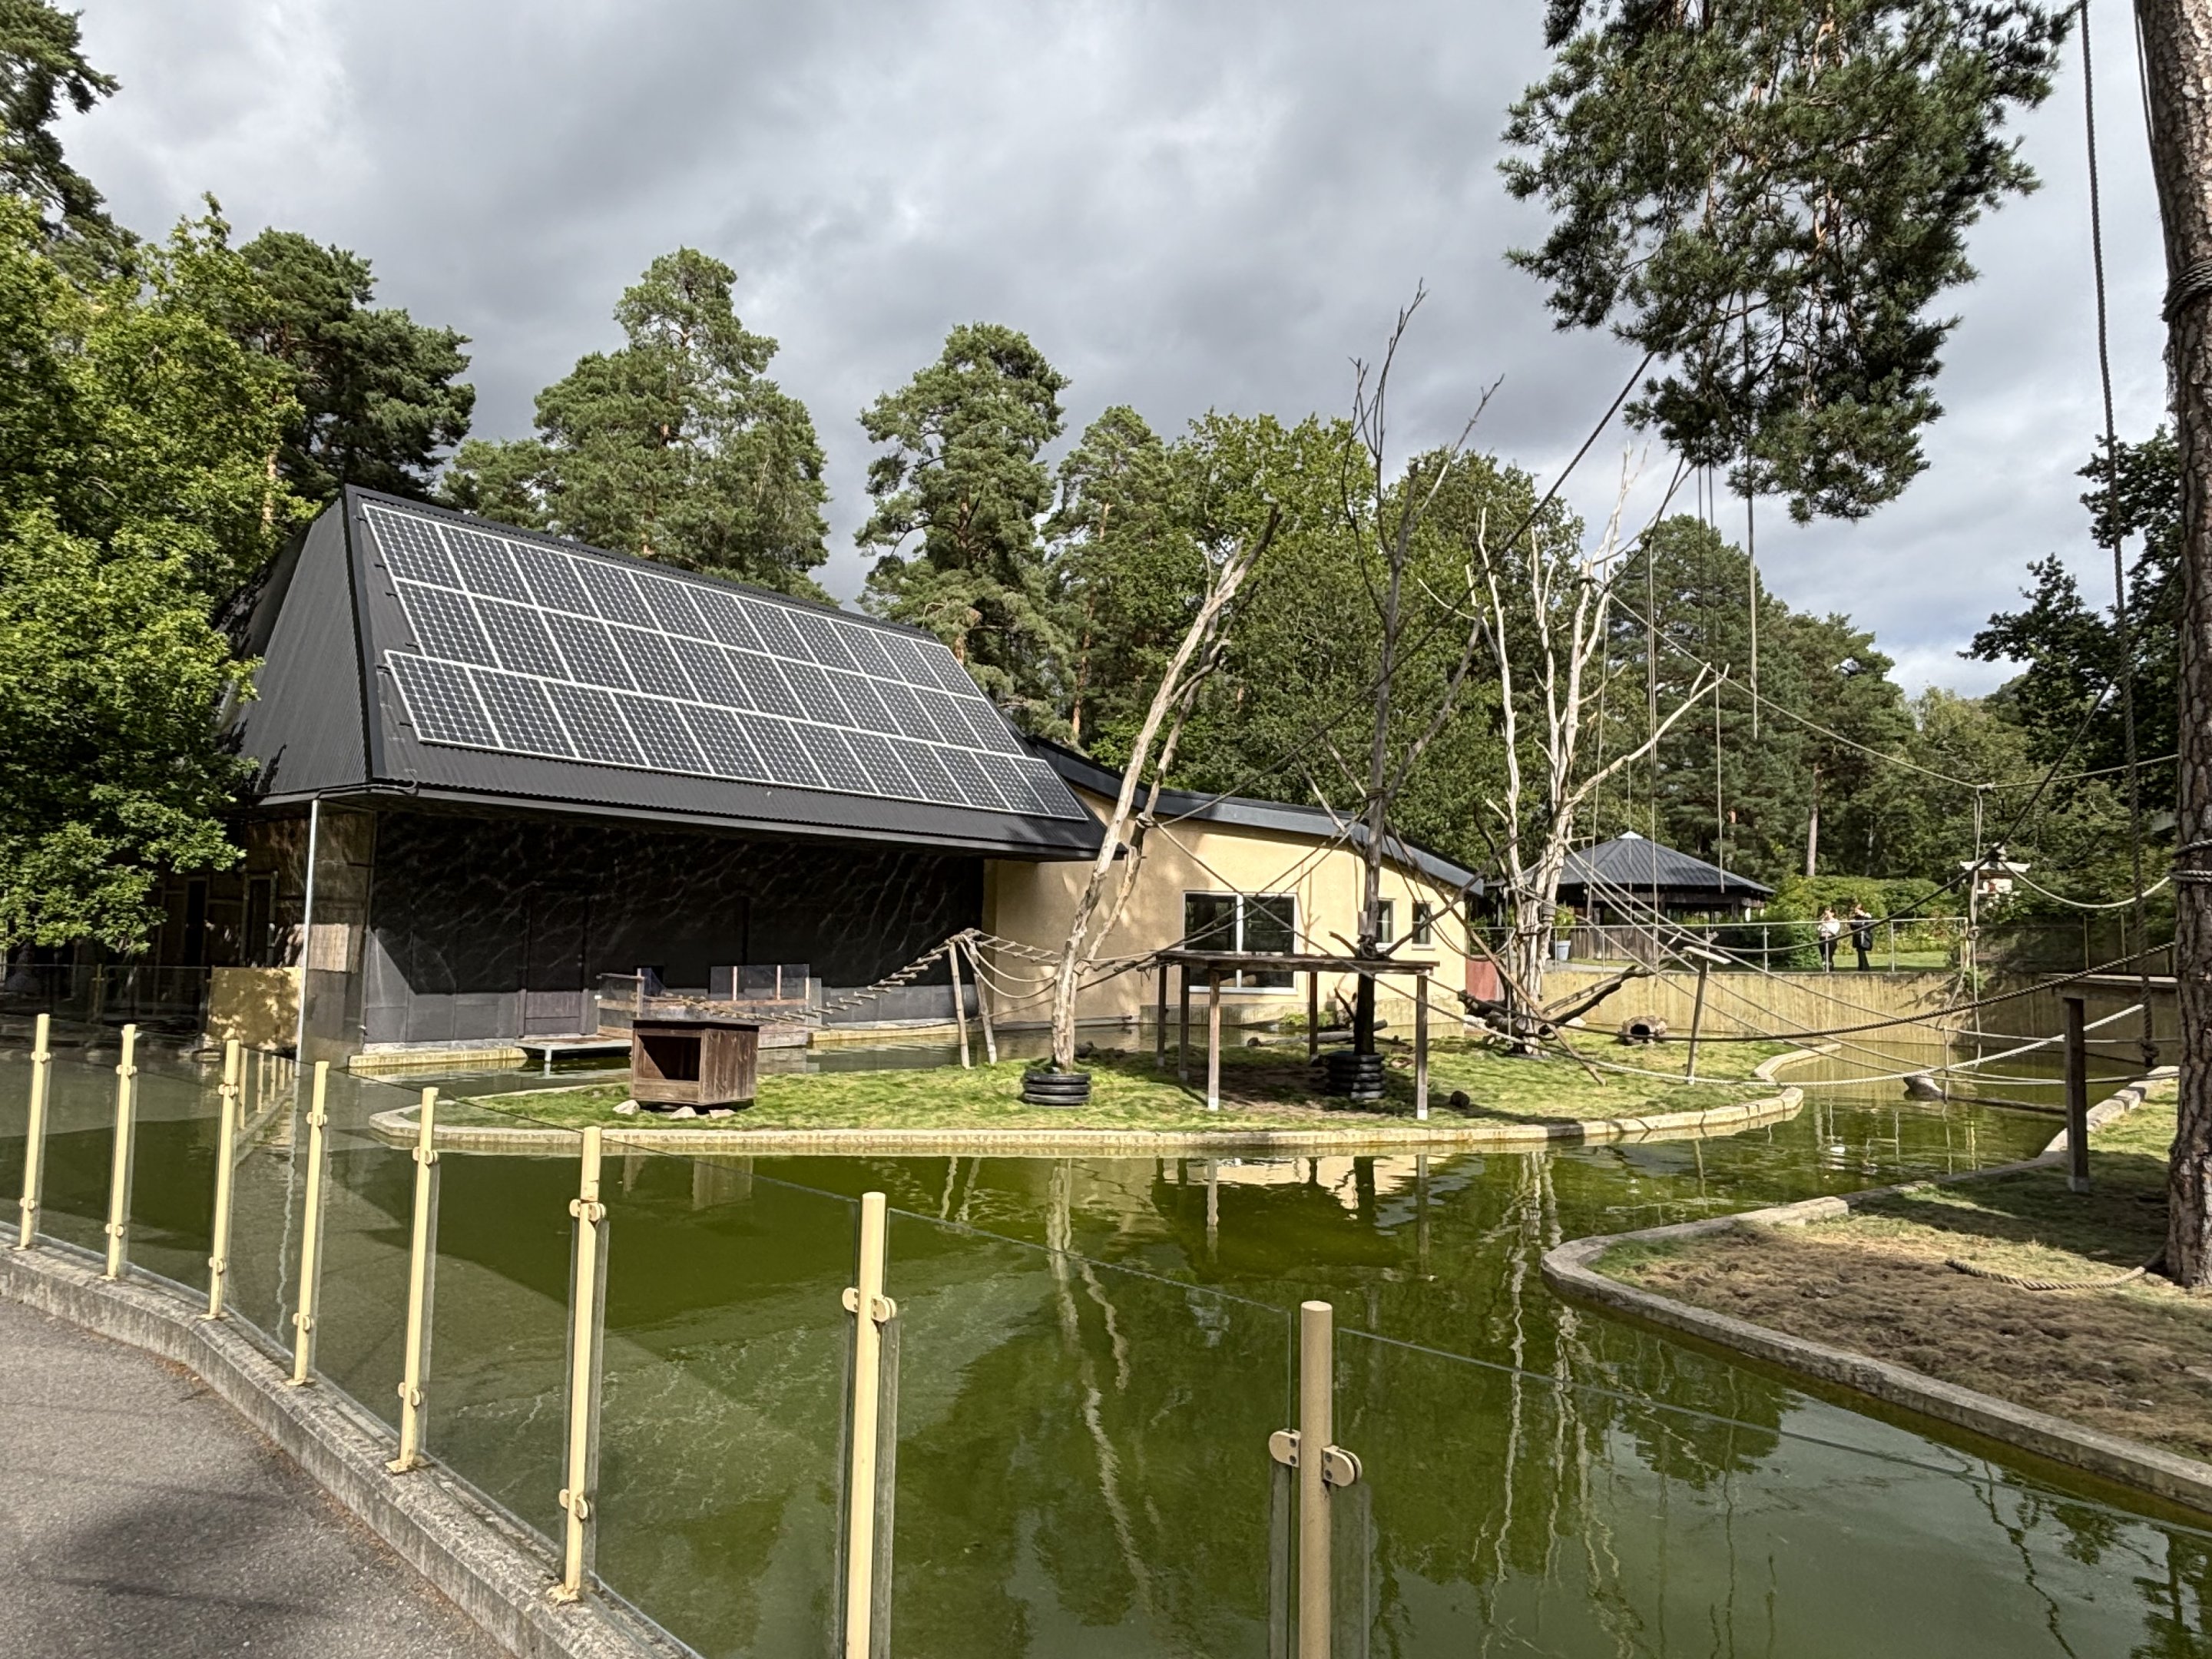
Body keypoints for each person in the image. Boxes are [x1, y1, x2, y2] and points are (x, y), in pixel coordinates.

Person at [1850, 902, 1876, 972]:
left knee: (1861, 951)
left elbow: (1867, 925)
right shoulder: (1856, 918)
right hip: (1857, 937)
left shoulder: (1867, 916)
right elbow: (1853, 926)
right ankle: (1863, 966)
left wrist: (1858, 923)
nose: (1855, 912)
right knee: (1860, 951)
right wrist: (1857, 923)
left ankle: (1863, 967)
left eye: (1856, 910)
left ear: (1861, 910)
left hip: (1864, 937)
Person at [1816, 907, 1842, 973]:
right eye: (1825, 913)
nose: (1826, 915)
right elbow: (1819, 931)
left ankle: (1830, 969)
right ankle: (1825, 969)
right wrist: (1821, 923)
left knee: (1829, 956)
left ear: (1832, 914)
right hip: (1822, 939)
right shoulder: (1823, 921)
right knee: (1824, 956)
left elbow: (1834, 931)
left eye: (1827, 914)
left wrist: (1825, 925)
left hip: (1831, 940)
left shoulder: (1835, 922)